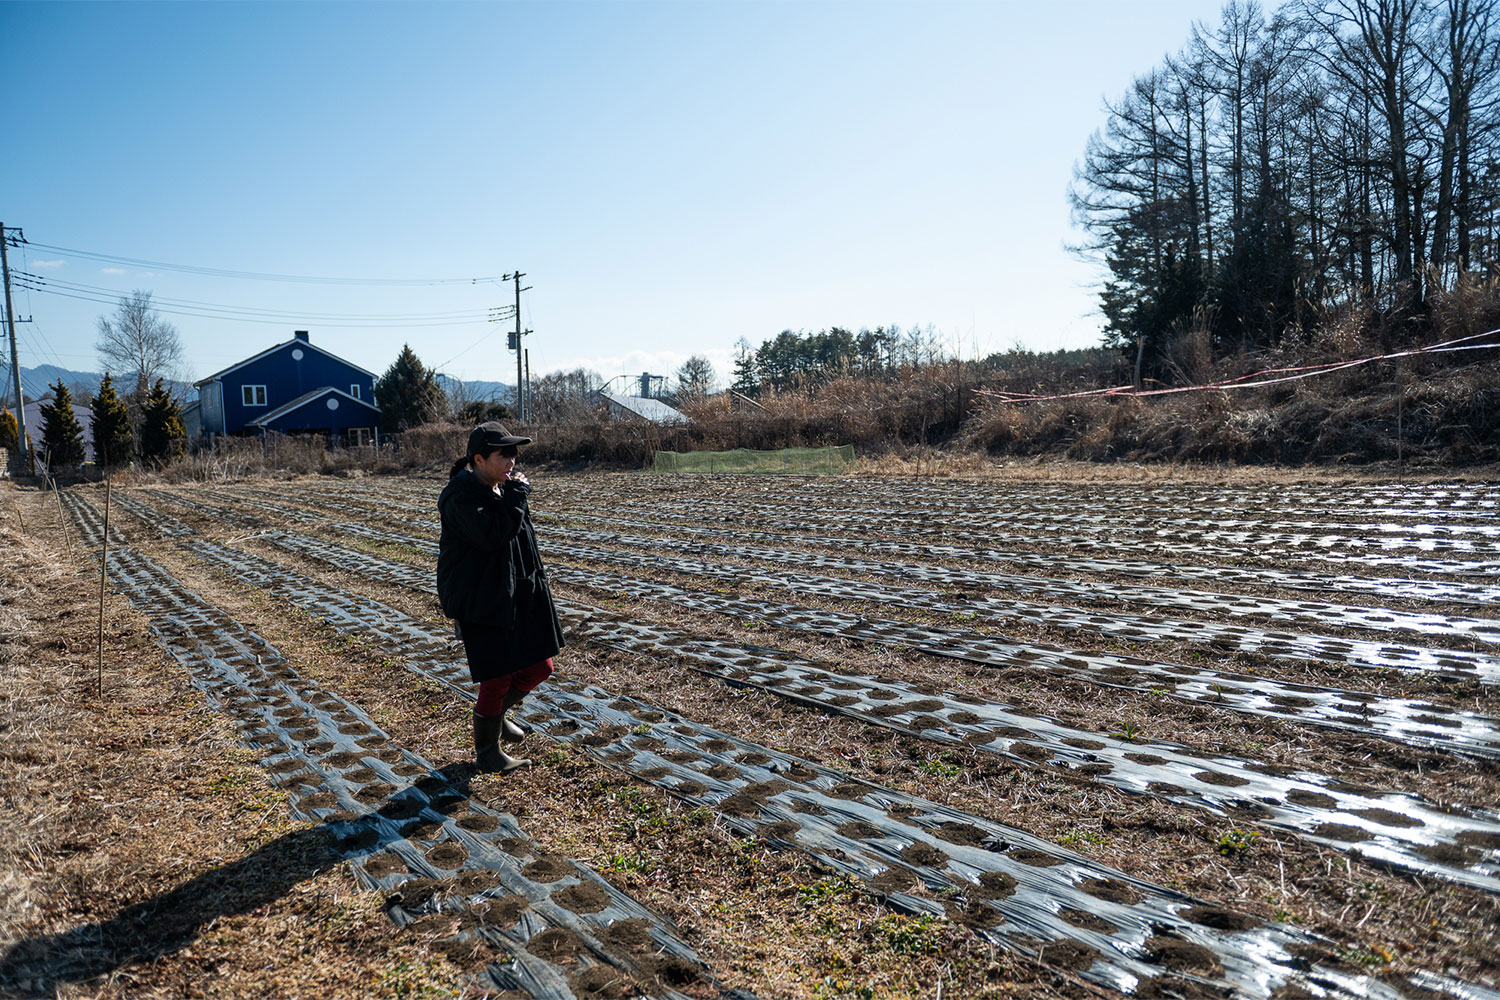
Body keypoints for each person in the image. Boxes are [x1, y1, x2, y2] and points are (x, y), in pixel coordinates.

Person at [437, 421, 565, 773]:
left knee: (541, 666)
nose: (511, 461)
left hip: (512, 594)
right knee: (497, 677)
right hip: (480, 600)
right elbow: (492, 536)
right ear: (478, 459)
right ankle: (488, 752)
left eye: (514, 454)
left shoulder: (502, 489)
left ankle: (497, 714)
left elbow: (520, 544)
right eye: (503, 454)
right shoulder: (460, 497)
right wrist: (516, 497)